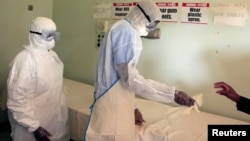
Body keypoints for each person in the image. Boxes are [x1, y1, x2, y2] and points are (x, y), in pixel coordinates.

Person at [84, 1, 195, 141]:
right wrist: (172, 94)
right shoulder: (127, 33)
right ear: (142, 16)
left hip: (113, 98)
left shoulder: (121, 27)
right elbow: (131, 80)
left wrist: (133, 108)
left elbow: (121, 78)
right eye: (153, 23)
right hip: (112, 104)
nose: (152, 27)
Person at [7, 17, 69, 141]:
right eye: (48, 35)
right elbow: (16, 100)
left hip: (54, 121)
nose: (52, 38)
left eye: (53, 34)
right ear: (35, 35)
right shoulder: (24, 60)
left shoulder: (53, 56)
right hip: (31, 126)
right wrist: (34, 127)